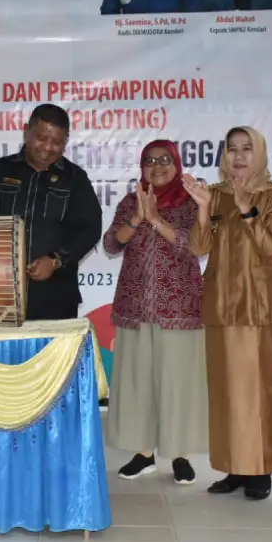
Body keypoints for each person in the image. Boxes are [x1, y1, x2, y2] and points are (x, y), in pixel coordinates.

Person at [186, 126, 272, 501]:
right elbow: (198, 247)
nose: (240, 156)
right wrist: (201, 210)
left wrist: (249, 211)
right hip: (221, 306)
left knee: (260, 390)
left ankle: (260, 467)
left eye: (247, 149)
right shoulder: (214, 196)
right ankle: (235, 466)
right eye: (232, 149)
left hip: (262, 306)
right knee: (227, 390)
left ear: (260, 152)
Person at [102, 140, 208, 485]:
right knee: (138, 382)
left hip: (179, 308)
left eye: (164, 159)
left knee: (177, 383)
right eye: (150, 161)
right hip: (135, 307)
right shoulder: (132, 201)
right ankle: (143, 453)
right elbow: (111, 244)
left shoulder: (193, 202)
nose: (157, 166)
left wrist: (156, 220)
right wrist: (137, 217)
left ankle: (179, 455)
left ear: (177, 163)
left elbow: (194, 245)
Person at [0, 104, 103, 321]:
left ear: (65, 141)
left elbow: (91, 229)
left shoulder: (75, 178)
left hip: (56, 298)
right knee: (0, 355)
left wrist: (56, 260)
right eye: (41, 138)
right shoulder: (0, 170)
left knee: (54, 356)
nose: (47, 147)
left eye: (56, 142)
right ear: (26, 131)